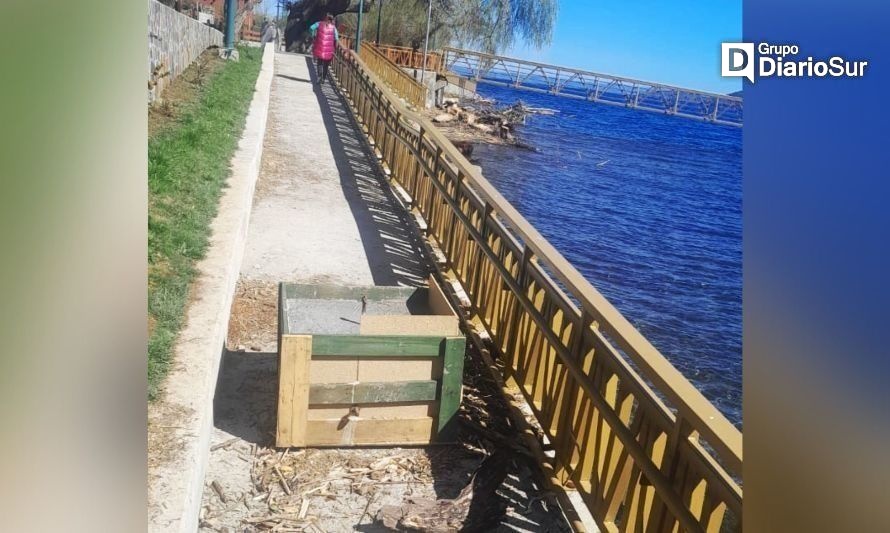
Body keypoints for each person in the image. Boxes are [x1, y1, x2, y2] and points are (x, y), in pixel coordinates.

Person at [309, 13, 339, 84]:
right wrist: (335, 48)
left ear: (325, 18)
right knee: (326, 65)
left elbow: (311, 28)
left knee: (320, 62)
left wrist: (313, 36)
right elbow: (336, 38)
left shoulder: (319, 23)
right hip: (329, 49)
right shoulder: (334, 28)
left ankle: (319, 76)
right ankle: (323, 78)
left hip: (320, 47)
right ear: (331, 19)